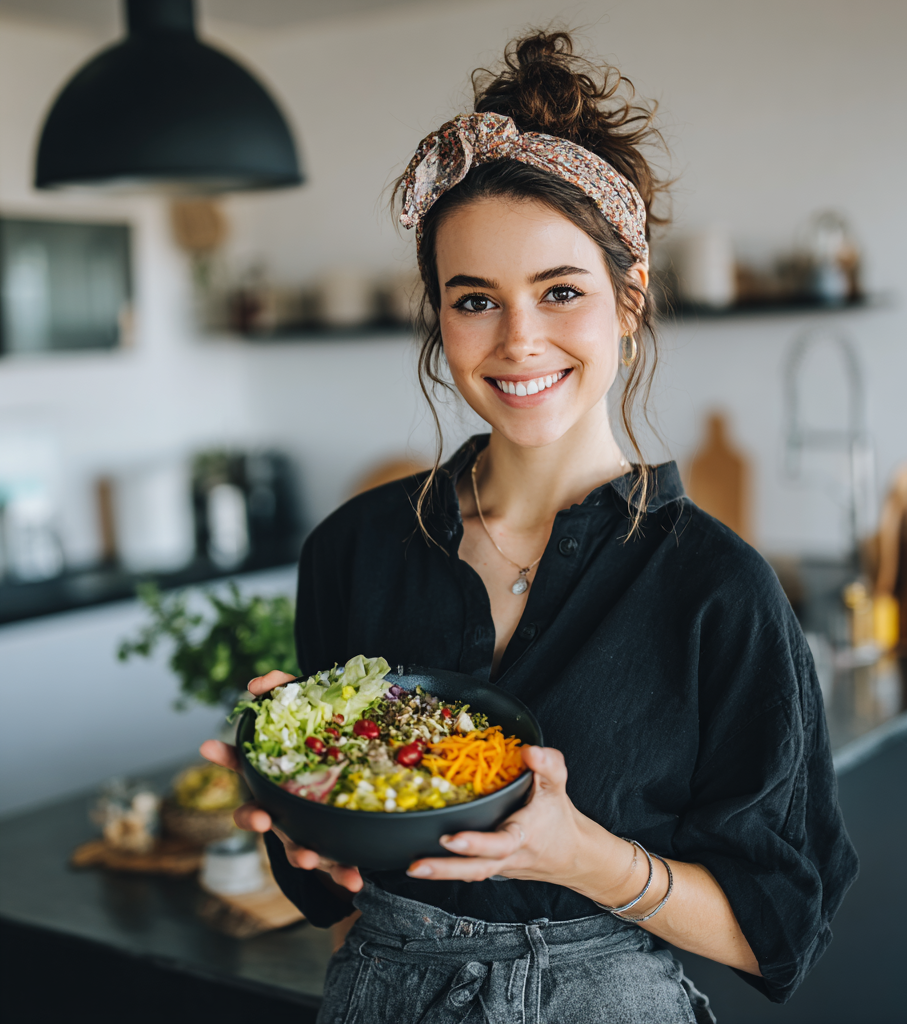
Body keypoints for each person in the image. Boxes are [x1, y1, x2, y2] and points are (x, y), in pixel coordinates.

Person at [203, 31, 857, 1024]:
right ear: (439, 317)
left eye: (560, 291)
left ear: (628, 298)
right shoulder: (353, 549)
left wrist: (576, 855)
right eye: (475, 300)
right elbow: (329, 893)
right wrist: (305, 816)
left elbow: (776, 928)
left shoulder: (716, 589)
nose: (518, 341)